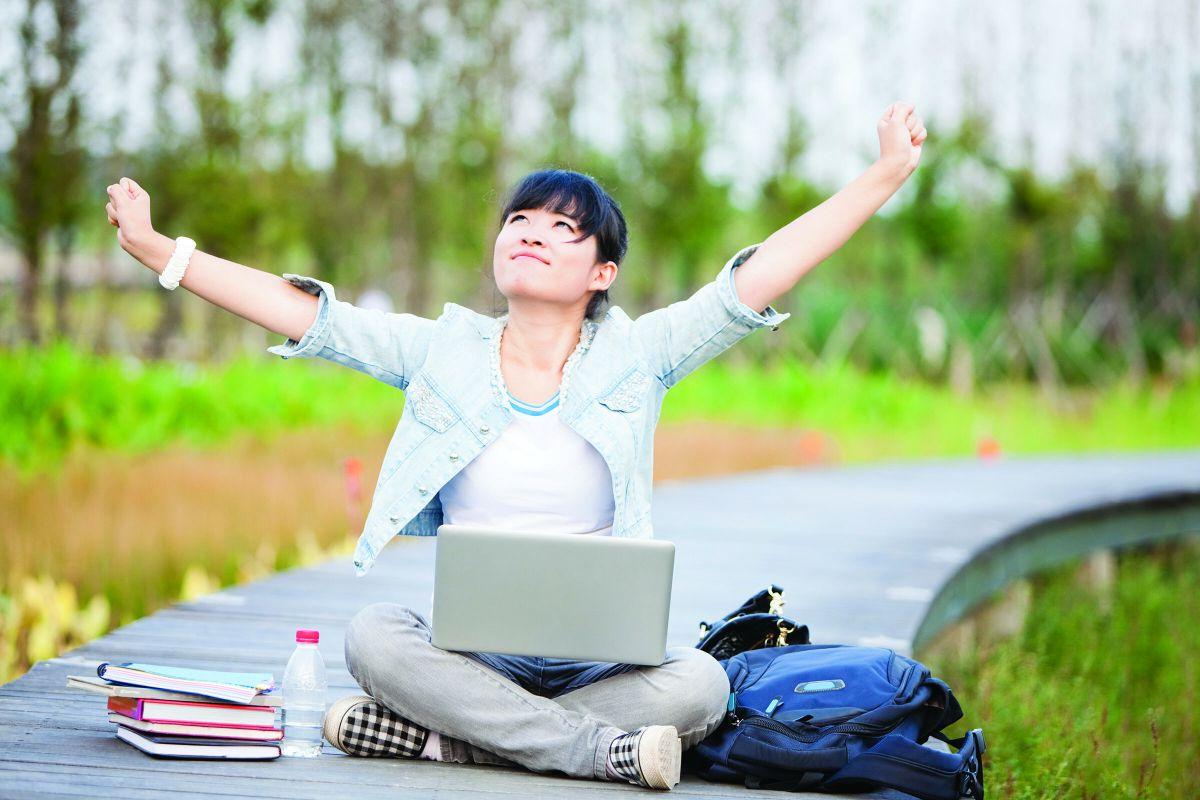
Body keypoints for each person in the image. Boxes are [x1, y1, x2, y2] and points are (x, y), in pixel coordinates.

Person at [104, 101, 927, 791]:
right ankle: (588, 754)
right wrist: (160, 253)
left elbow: (760, 275)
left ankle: (458, 743)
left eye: (564, 228)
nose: (531, 233)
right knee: (373, 635)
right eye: (520, 220)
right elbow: (306, 316)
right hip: (475, 656)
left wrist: (885, 174)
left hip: (601, 666)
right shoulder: (441, 351)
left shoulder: (639, 356)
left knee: (702, 684)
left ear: (602, 272)